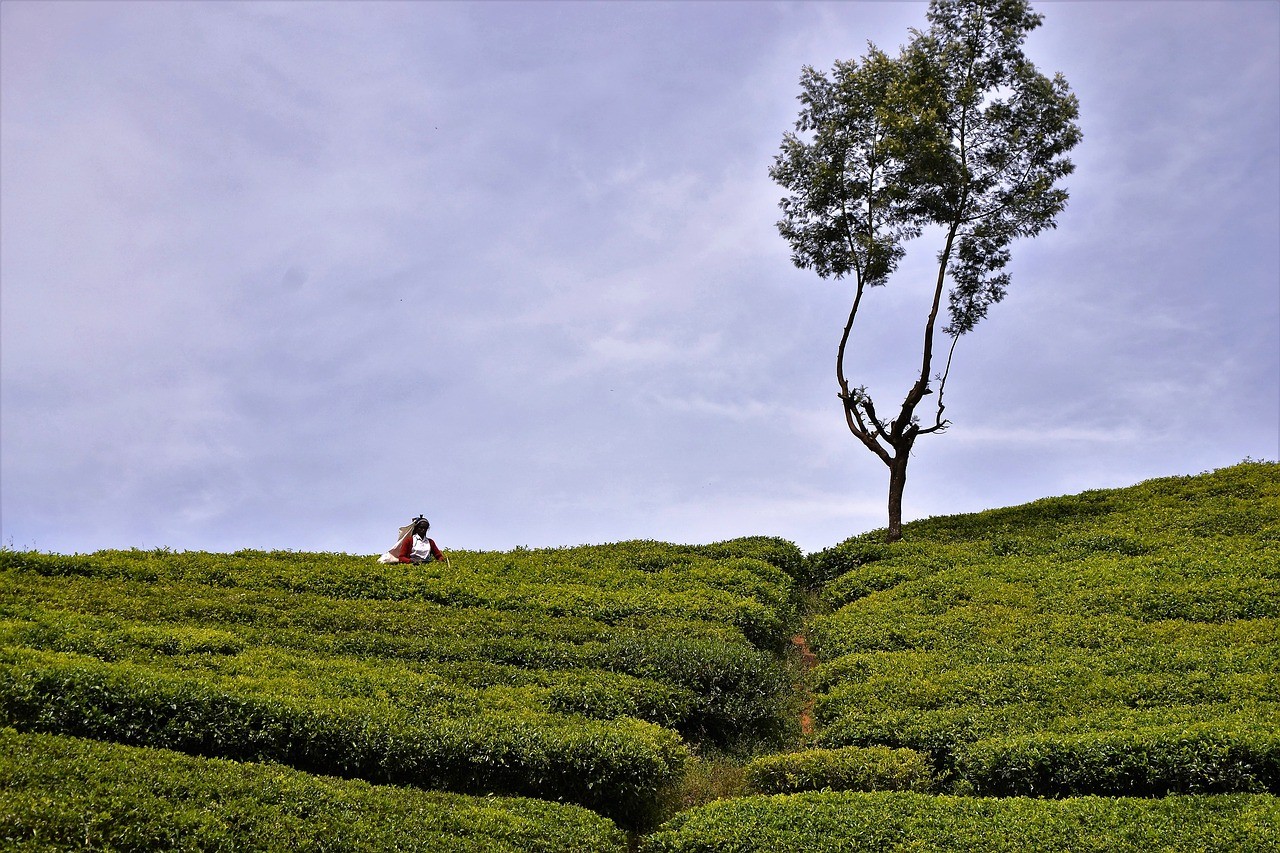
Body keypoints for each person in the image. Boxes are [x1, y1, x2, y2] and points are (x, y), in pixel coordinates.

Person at [378, 515, 444, 564]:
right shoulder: (409, 540)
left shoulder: (430, 542)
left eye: (425, 528)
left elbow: (438, 555)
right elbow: (401, 557)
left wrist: (441, 560)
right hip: (412, 565)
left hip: (426, 565)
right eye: (421, 528)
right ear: (416, 528)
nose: (423, 530)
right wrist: (411, 561)